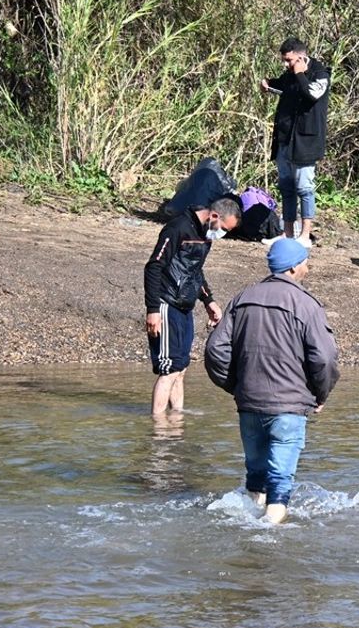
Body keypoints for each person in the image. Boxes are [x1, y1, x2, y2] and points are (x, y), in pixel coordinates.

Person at [204, 238, 340, 524]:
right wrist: (321, 394)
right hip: (289, 407)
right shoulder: (306, 304)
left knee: (255, 478)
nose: (308, 266)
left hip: (249, 405)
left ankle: (250, 527)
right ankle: (266, 542)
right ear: (292, 268)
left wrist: (237, 386)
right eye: (304, 261)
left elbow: (216, 350)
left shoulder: (243, 298)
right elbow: (325, 358)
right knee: (279, 483)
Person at [143, 196, 241, 415]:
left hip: (185, 307)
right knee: (169, 369)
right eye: (224, 229)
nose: (222, 234)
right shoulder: (178, 228)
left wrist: (209, 301)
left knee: (182, 368)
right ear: (214, 216)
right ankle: (157, 430)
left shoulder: (206, 234)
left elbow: (194, 271)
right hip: (165, 304)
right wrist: (153, 310)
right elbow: (153, 267)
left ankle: (176, 422)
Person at [260, 36, 331, 248]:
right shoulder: (290, 74)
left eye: (289, 60)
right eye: (284, 60)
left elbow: (311, 95)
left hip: (306, 143)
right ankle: (288, 233)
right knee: (287, 187)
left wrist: (300, 74)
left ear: (301, 57)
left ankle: (305, 236)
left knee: (304, 188)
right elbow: (281, 86)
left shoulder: (320, 74)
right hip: (284, 140)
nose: (286, 64)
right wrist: (267, 84)